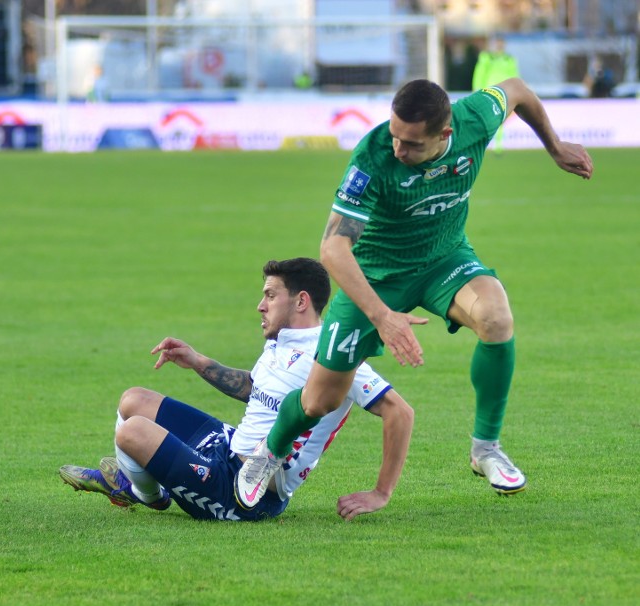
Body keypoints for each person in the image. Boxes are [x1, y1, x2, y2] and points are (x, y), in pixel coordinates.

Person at [235, 78, 594, 509]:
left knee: (497, 318)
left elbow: (517, 90)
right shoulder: (372, 157)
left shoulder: (475, 118)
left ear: (445, 135)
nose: (398, 149)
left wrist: (553, 146)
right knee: (319, 400)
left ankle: (485, 449)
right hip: (373, 277)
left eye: (410, 143)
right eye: (394, 135)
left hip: (443, 260)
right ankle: (269, 452)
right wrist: (382, 316)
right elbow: (332, 248)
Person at [59, 258, 414, 521]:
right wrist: (198, 361)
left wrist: (381, 493)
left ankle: (143, 492)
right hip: (229, 447)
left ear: (301, 301)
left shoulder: (332, 359)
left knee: (133, 432)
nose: (261, 305)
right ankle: (147, 489)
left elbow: (400, 411)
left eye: (270, 295)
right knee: (133, 400)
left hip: (247, 493)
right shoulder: (281, 342)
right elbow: (253, 389)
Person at [471, 36, 519, 153]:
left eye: (501, 44)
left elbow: (514, 74)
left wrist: (516, 89)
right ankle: (483, 142)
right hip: (490, 92)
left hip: (505, 92)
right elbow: (480, 72)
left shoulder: (509, 59)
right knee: (488, 117)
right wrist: (476, 88)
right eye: (497, 44)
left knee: (501, 118)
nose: (499, 46)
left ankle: (498, 144)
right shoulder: (487, 57)